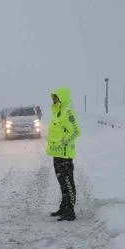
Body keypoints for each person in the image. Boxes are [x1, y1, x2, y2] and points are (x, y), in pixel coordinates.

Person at [46, 87, 81, 221]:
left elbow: (76, 131)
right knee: (62, 182)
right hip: (57, 154)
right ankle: (64, 207)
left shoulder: (67, 112)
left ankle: (70, 211)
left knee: (67, 182)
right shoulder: (57, 112)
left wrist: (63, 142)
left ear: (61, 97)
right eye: (53, 97)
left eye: (56, 97)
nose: (53, 99)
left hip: (65, 154)